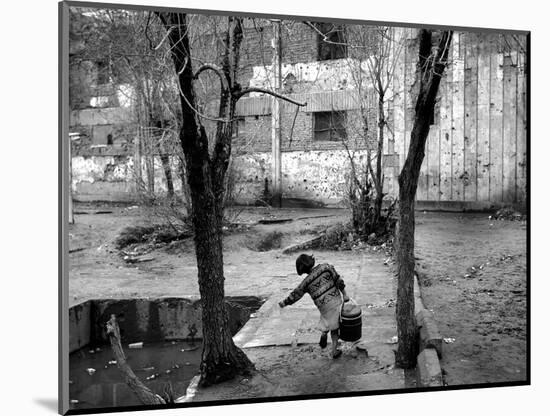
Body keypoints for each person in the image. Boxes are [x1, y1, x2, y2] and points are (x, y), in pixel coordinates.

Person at [279, 254, 349, 358]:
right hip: (335, 301)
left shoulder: (306, 282)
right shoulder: (326, 267)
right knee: (335, 327)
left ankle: (324, 332)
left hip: (323, 307)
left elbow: (295, 295)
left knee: (328, 319)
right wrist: (345, 294)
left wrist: (284, 303)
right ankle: (334, 350)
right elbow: (338, 280)